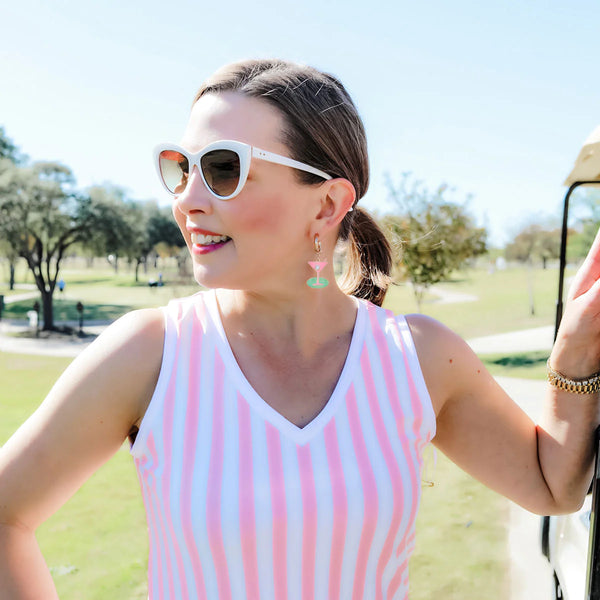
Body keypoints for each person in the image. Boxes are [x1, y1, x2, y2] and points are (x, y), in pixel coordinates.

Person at [0, 58, 599, 600]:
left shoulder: (418, 358)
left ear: (327, 204)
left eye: (224, 169)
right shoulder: (150, 353)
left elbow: (552, 487)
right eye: (181, 169)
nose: (187, 200)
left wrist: (572, 356)